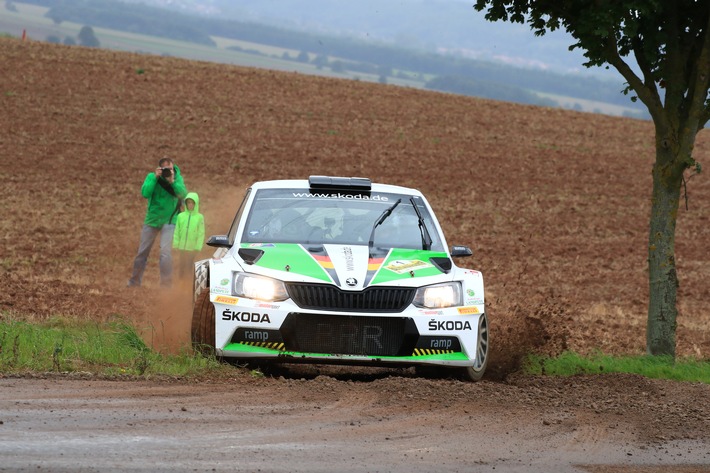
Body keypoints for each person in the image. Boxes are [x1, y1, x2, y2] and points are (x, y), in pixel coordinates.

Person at [127, 157, 187, 288]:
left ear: (173, 168)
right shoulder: (151, 177)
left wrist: (172, 182)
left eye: (170, 169)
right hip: (152, 220)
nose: (168, 171)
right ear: (159, 168)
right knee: (142, 252)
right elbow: (145, 193)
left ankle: (166, 285)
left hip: (170, 220)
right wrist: (155, 178)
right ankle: (134, 282)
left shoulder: (177, 179)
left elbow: (183, 194)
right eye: (165, 169)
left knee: (165, 253)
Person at [172, 191, 205, 280]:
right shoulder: (181, 216)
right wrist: (175, 244)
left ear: (196, 204)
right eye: (188, 202)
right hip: (182, 247)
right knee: (181, 266)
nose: (190, 205)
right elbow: (176, 232)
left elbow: (201, 233)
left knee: (189, 266)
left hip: (192, 248)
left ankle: (188, 283)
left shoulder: (199, 217)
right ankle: (180, 283)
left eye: (192, 203)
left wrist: (198, 247)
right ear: (186, 203)